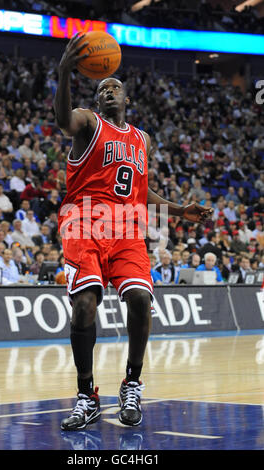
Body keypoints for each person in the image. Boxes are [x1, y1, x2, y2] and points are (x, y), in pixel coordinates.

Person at [54, 32, 213, 432]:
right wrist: (63, 74)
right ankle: (86, 395)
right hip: (85, 222)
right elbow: (62, 120)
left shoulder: (141, 139)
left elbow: (141, 190)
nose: (108, 91)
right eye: (102, 87)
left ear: (127, 99)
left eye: (114, 87)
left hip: (126, 229)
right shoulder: (88, 123)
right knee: (86, 304)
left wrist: (179, 209)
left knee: (141, 300)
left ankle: (131, 384)